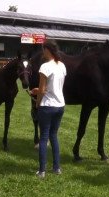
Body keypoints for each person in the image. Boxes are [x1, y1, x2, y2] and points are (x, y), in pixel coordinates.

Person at [30, 40, 66, 178]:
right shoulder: (62, 66)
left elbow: (43, 90)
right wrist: (39, 90)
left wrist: (37, 102)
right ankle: (56, 168)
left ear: (47, 50)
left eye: (43, 49)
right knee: (54, 136)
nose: (42, 52)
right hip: (60, 105)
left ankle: (42, 171)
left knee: (43, 138)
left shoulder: (45, 66)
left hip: (47, 106)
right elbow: (56, 87)